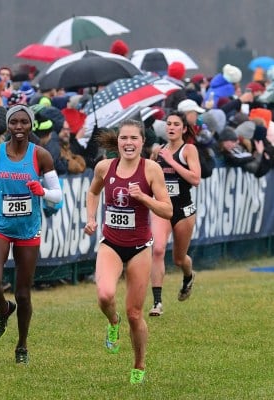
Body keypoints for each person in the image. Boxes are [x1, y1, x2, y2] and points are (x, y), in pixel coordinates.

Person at [0, 105, 62, 364]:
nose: (19, 127)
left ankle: (22, 345)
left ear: (30, 125)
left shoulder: (41, 156)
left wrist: (42, 191)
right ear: (8, 125)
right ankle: (3, 309)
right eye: (14, 122)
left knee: (23, 293)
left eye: (24, 122)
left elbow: (58, 194)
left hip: (28, 232)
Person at [83, 119, 172, 384]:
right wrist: (91, 218)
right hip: (110, 244)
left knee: (135, 314)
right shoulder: (104, 167)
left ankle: (139, 364)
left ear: (143, 142)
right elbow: (92, 192)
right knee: (105, 295)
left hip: (139, 249)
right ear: (118, 142)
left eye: (134, 138)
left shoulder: (151, 170)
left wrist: (143, 198)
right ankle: (113, 322)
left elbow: (167, 210)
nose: (129, 143)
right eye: (124, 138)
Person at [148, 111, 201, 317]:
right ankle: (157, 302)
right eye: (168, 124)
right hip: (162, 209)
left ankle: (188, 276)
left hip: (184, 210)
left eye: (176, 124)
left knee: (179, 259)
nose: (171, 127)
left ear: (184, 129)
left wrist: (172, 160)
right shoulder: (158, 151)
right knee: (158, 249)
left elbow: (195, 179)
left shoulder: (188, 150)